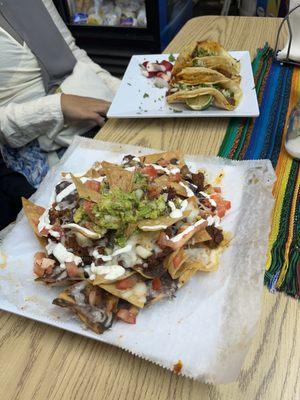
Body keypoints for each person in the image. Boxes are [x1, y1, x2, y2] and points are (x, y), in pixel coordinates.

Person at [0, 0, 120, 230]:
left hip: (97, 124)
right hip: (40, 156)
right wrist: (58, 106)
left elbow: (74, 56)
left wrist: (123, 94)